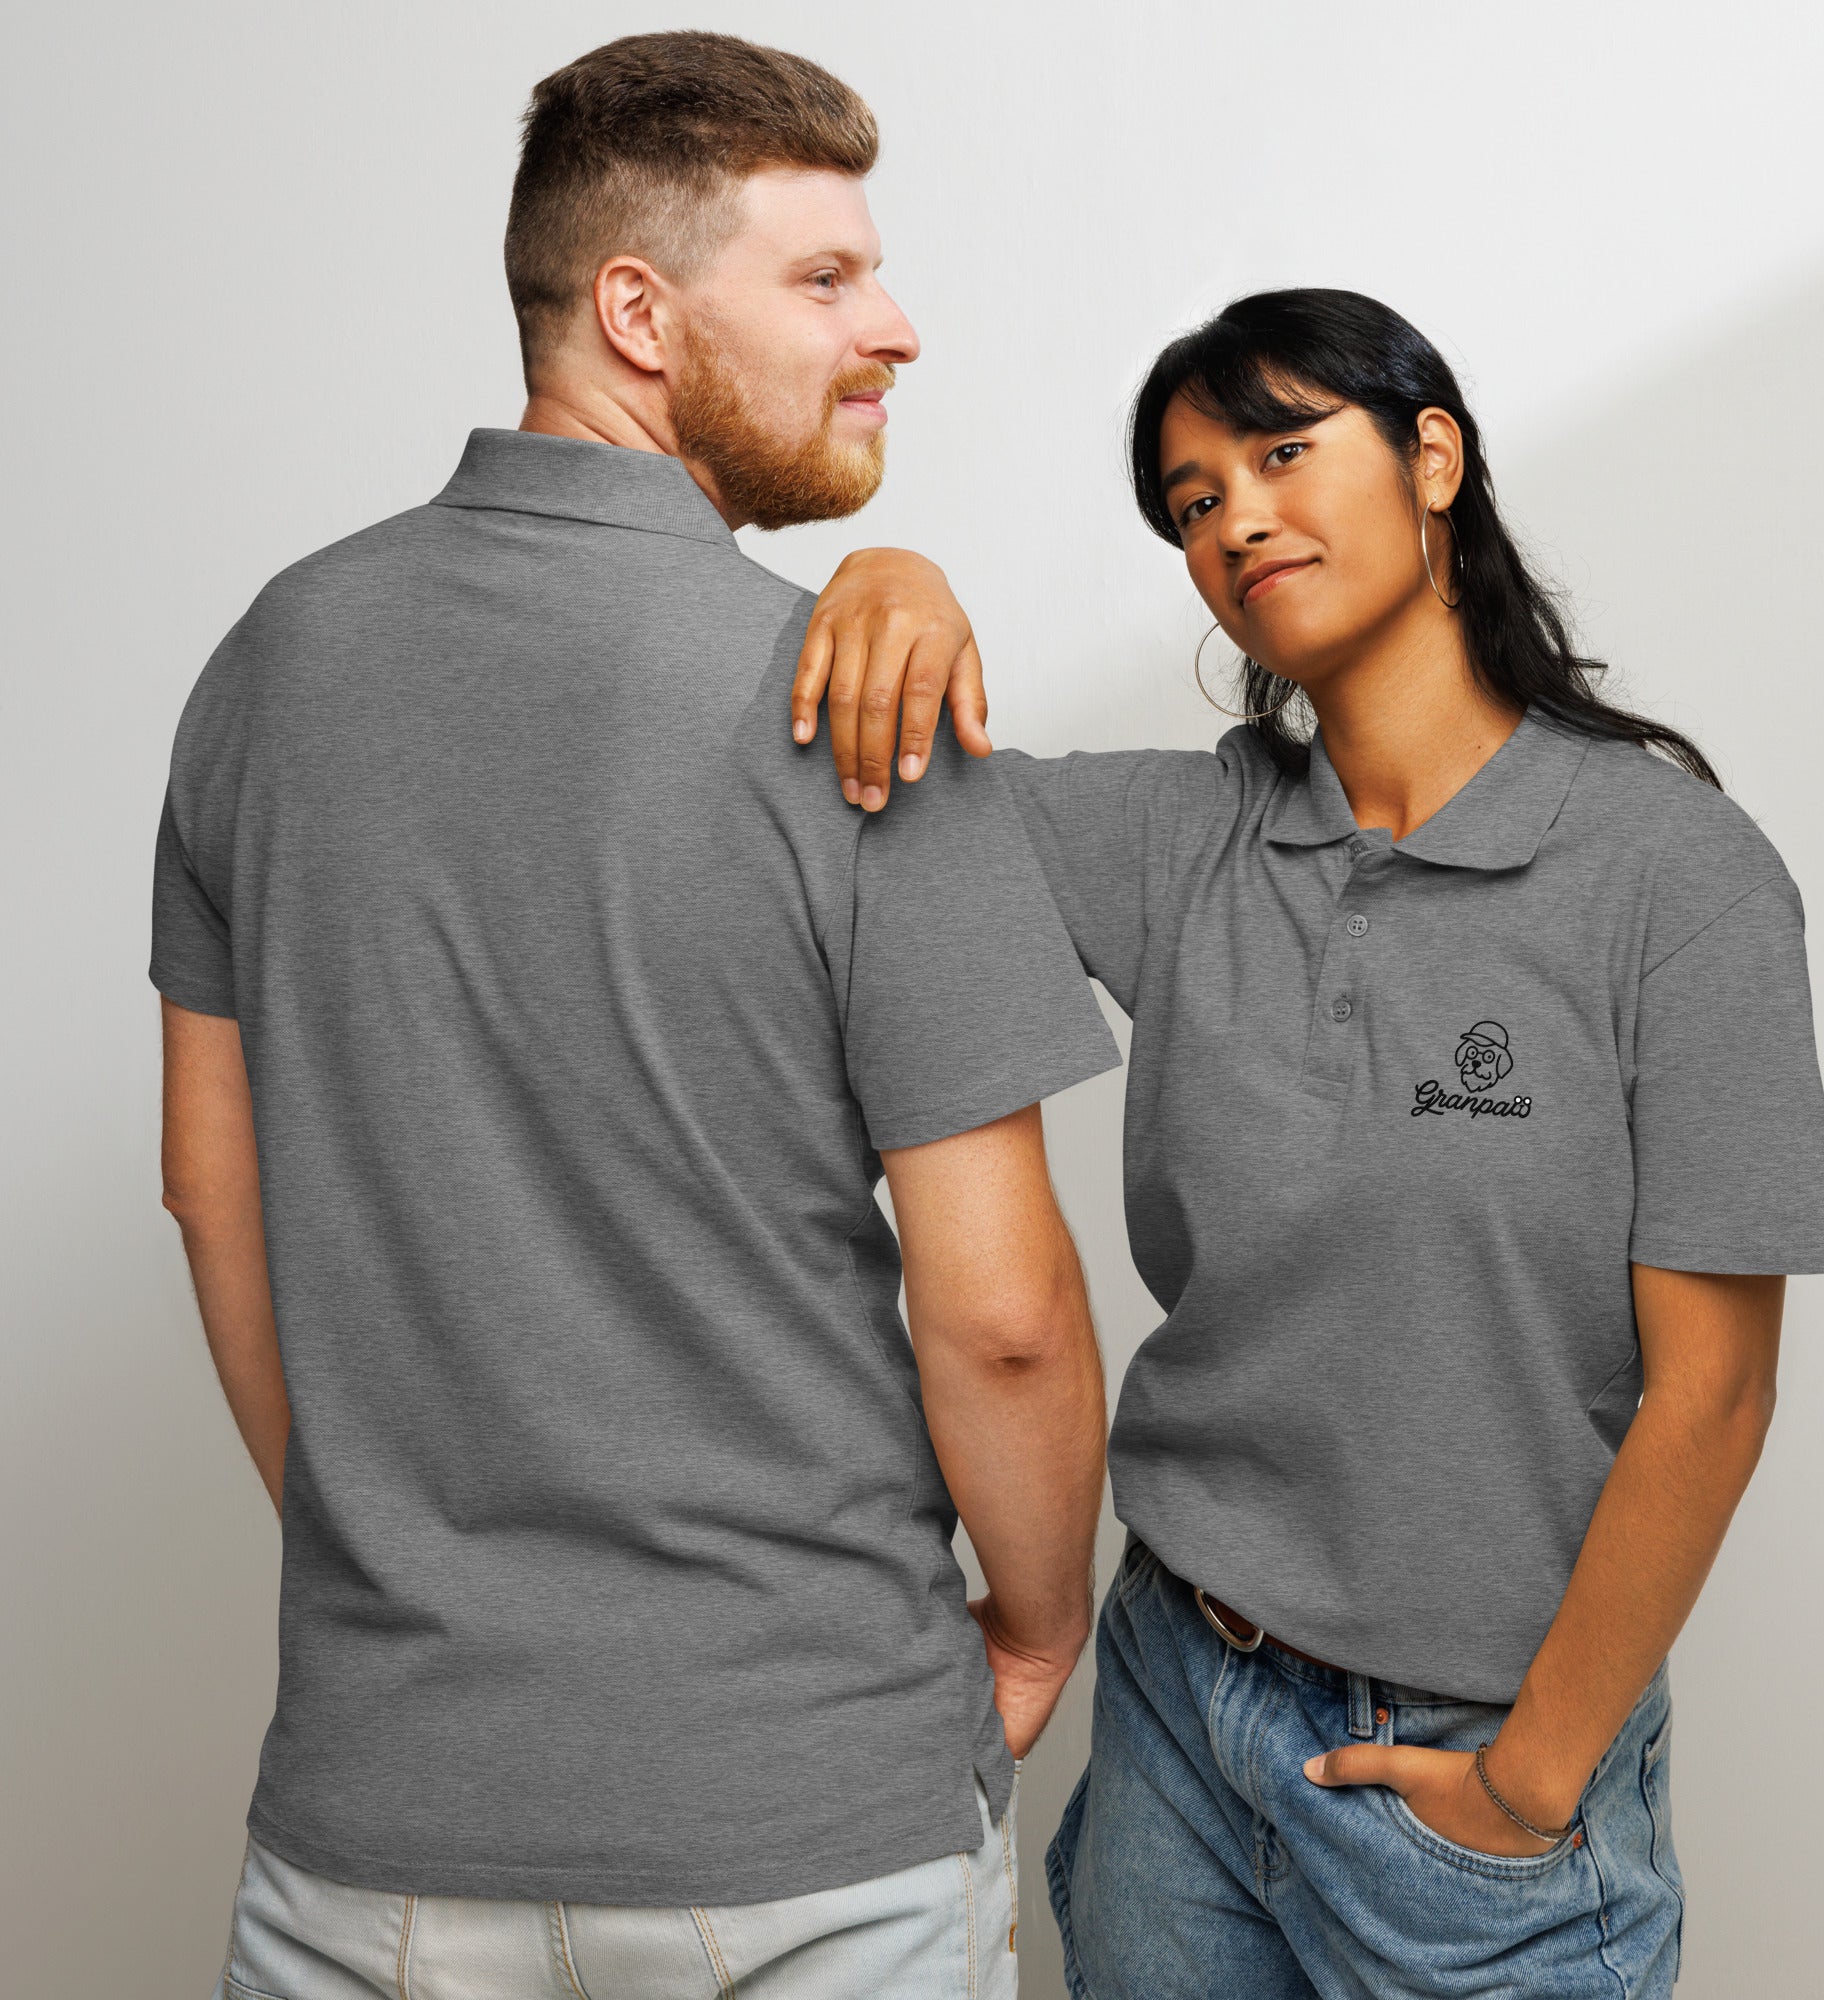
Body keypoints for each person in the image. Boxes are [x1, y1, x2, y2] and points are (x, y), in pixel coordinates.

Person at [154, 32, 1118, 2000]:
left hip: (374, 1824)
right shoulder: (867, 712)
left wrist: (404, 1573)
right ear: (638, 315)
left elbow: (210, 1189)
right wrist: (1035, 1631)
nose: (895, 327)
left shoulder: (270, 663)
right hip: (807, 1832)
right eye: (826, 277)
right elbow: (1004, 1313)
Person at [790, 289, 1824, 1997]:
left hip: (1475, 1775)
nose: (1237, 520)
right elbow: (887, 797)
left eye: (1283, 452)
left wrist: (1531, 1784)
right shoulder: (1185, 839)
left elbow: (1713, 1394)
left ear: (1433, 458)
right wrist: (890, 576)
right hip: (1175, 1707)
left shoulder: (1677, 879)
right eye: (1194, 499)